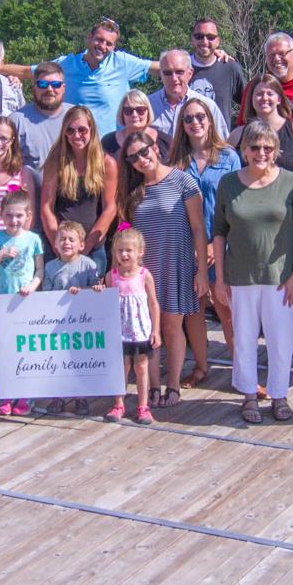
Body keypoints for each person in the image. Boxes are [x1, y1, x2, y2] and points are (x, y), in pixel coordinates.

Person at [211, 121, 293, 424]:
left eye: (268, 148)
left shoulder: (290, 182)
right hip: (240, 275)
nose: (261, 153)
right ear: (244, 150)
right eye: (254, 147)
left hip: (282, 277)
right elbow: (218, 232)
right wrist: (218, 278)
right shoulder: (229, 183)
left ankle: (279, 394)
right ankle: (249, 395)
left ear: (276, 151)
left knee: (281, 340)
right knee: (243, 339)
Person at [117, 130, 208, 408]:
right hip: (144, 271)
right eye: (133, 158)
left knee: (171, 327)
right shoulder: (132, 190)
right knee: (147, 330)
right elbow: (124, 229)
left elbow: (198, 229)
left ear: (155, 148)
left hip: (176, 263)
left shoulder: (183, 181)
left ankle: (173, 384)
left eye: (144, 152)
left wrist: (202, 270)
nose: (141, 160)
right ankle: (153, 385)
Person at [168, 96, 240, 387]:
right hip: (186, 246)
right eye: (188, 119)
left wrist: (213, 245)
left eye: (200, 117)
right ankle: (201, 366)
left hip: (220, 245)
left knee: (225, 308)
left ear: (210, 120)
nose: (195, 122)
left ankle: (242, 370)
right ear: (182, 125)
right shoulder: (175, 161)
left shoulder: (228, 156)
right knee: (193, 309)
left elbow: (235, 204)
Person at [0, 18, 160, 136]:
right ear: (89, 38)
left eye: (108, 44)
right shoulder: (67, 64)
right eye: (99, 40)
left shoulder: (122, 62)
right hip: (76, 145)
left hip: (111, 148)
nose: (103, 46)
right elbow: (27, 72)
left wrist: (183, 65)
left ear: (114, 46)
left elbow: (157, 67)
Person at [0, 190, 45, 417]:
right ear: (1, 215)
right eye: (9, 215)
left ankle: (25, 394)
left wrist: (33, 285)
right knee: (6, 348)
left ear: (28, 216)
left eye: (19, 215)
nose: (14, 220)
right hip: (3, 301)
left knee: (26, 347)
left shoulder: (33, 239)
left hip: (26, 301)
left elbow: (39, 269)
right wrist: (0, 255)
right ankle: (7, 392)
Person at [40, 106, 118, 273]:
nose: (76, 135)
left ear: (91, 129)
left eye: (82, 130)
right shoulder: (55, 162)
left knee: (92, 296)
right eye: (70, 130)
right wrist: (57, 243)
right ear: (64, 133)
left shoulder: (107, 163)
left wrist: (87, 244)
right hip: (61, 245)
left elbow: (110, 208)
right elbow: (47, 206)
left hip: (93, 246)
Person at [41, 221, 103, 417]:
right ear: (55, 244)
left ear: (81, 245)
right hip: (57, 323)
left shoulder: (89, 265)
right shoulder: (50, 267)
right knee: (58, 359)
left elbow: (96, 291)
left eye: (71, 239)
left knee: (79, 360)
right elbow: (46, 294)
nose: (66, 243)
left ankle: (80, 396)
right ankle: (58, 397)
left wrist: (88, 290)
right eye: (62, 239)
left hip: (81, 323)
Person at [104, 228, 161, 426]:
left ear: (140, 252)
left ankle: (143, 406)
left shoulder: (144, 275)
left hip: (140, 331)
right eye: (120, 251)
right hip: (119, 333)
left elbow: (153, 303)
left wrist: (155, 330)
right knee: (121, 368)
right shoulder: (111, 277)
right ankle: (118, 403)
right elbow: (107, 303)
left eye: (128, 250)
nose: (124, 254)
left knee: (141, 367)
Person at [237, 32, 293, 132]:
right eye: (271, 55)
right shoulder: (256, 87)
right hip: (270, 146)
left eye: (282, 54)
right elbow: (243, 125)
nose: (277, 59)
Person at [230, 74, 293, 176]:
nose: (264, 98)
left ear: (279, 99)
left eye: (270, 94)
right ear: (251, 99)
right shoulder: (237, 135)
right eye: (259, 94)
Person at [149, 49, 227, 144]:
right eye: (167, 73)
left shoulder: (208, 106)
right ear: (161, 74)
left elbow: (223, 146)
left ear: (190, 73)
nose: (174, 78)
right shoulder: (146, 107)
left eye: (179, 72)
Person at [9, 61, 68, 171]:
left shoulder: (76, 117)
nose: (49, 89)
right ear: (34, 87)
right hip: (27, 187)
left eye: (56, 84)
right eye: (42, 84)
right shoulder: (16, 121)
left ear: (63, 87)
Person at [188, 17, 246, 124]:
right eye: (199, 36)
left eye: (210, 37)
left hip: (220, 139)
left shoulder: (230, 68)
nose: (204, 41)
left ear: (218, 41)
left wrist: (241, 131)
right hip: (187, 139)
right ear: (192, 39)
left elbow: (248, 103)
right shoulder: (180, 69)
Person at [103, 89, 171, 160]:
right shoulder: (108, 142)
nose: (134, 115)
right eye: (128, 111)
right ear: (122, 113)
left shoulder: (165, 142)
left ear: (148, 112)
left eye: (140, 110)